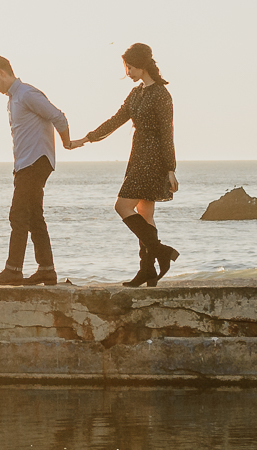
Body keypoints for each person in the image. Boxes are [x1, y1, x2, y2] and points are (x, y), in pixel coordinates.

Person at [71, 42, 178, 288]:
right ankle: (147, 270)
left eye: (130, 67)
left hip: (153, 161)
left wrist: (171, 168)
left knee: (122, 206)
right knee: (145, 215)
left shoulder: (162, 94)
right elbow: (116, 120)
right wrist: (86, 139)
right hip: (138, 156)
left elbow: (167, 133)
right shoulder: (137, 93)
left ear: (141, 65)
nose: (127, 72)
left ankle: (161, 252)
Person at [0, 55, 77, 286]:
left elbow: (58, 117)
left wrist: (66, 142)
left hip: (35, 162)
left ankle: (13, 270)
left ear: (2, 73)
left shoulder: (27, 94)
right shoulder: (13, 98)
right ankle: (47, 270)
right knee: (33, 217)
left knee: (18, 215)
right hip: (25, 164)